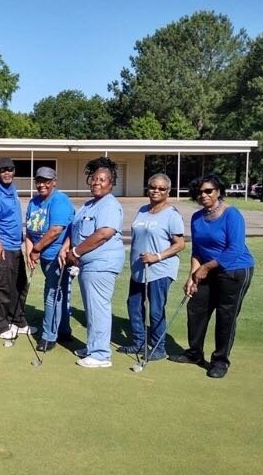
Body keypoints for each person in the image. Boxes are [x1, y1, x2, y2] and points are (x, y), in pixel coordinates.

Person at [172, 174, 254, 378]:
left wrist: (206, 268)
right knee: (196, 308)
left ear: (218, 191)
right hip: (207, 269)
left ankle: (220, 361)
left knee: (226, 316)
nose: (203, 195)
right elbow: (197, 251)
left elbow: (234, 249)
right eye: (199, 192)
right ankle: (194, 353)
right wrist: (192, 276)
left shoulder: (232, 214)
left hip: (234, 270)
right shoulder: (197, 217)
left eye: (208, 191)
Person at [62, 157, 124, 368]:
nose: (97, 182)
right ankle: (93, 346)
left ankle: (100, 355)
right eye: (94, 179)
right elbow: (75, 228)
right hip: (87, 264)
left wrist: (76, 252)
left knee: (98, 307)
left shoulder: (109, 204)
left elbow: (104, 233)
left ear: (111, 183)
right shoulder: (89, 204)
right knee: (91, 306)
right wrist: (69, 248)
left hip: (102, 263)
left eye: (102, 179)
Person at [119, 173, 185, 360]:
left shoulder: (172, 215)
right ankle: (138, 342)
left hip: (160, 270)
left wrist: (157, 256)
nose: (156, 191)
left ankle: (158, 347)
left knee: (156, 310)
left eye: (161, 188)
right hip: (139, 270)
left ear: (168, 191)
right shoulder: (142, 210)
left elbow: (180, 244)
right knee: (134, 306)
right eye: (153, 187)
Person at [25, 167, 75, 352]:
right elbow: (29, 230)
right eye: (38, 181)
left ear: (54, 181)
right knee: (59, 292)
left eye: (46, 181)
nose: (42, 185)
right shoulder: (34, 202)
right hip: (43, 256)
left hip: (59, 256)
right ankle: (63, 330)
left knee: (52, 294)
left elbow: (55, 231)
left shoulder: (60, 200)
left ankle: (48, 336)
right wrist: (30, 253)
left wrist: (36, 249)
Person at [0, 158, 30, 340]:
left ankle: (17, 321)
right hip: (2, 248)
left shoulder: (13, 190)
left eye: (9, 169)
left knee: (20, 286)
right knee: (1, 288)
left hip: (15, 247)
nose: (7, 173)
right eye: (3, 170)